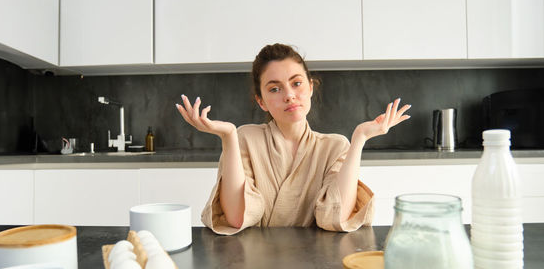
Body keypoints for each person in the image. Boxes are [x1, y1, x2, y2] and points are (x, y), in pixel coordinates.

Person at [176, 43, 411, 235]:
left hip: (317, 259)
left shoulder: (335, 146)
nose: (289, 95)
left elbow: (336, 217)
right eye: (274, 89)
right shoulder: (245, 138)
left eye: (296, 83)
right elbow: (237, 218)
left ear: (310, 87)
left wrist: (359, 139)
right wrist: (228, 137)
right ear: (261, 101)